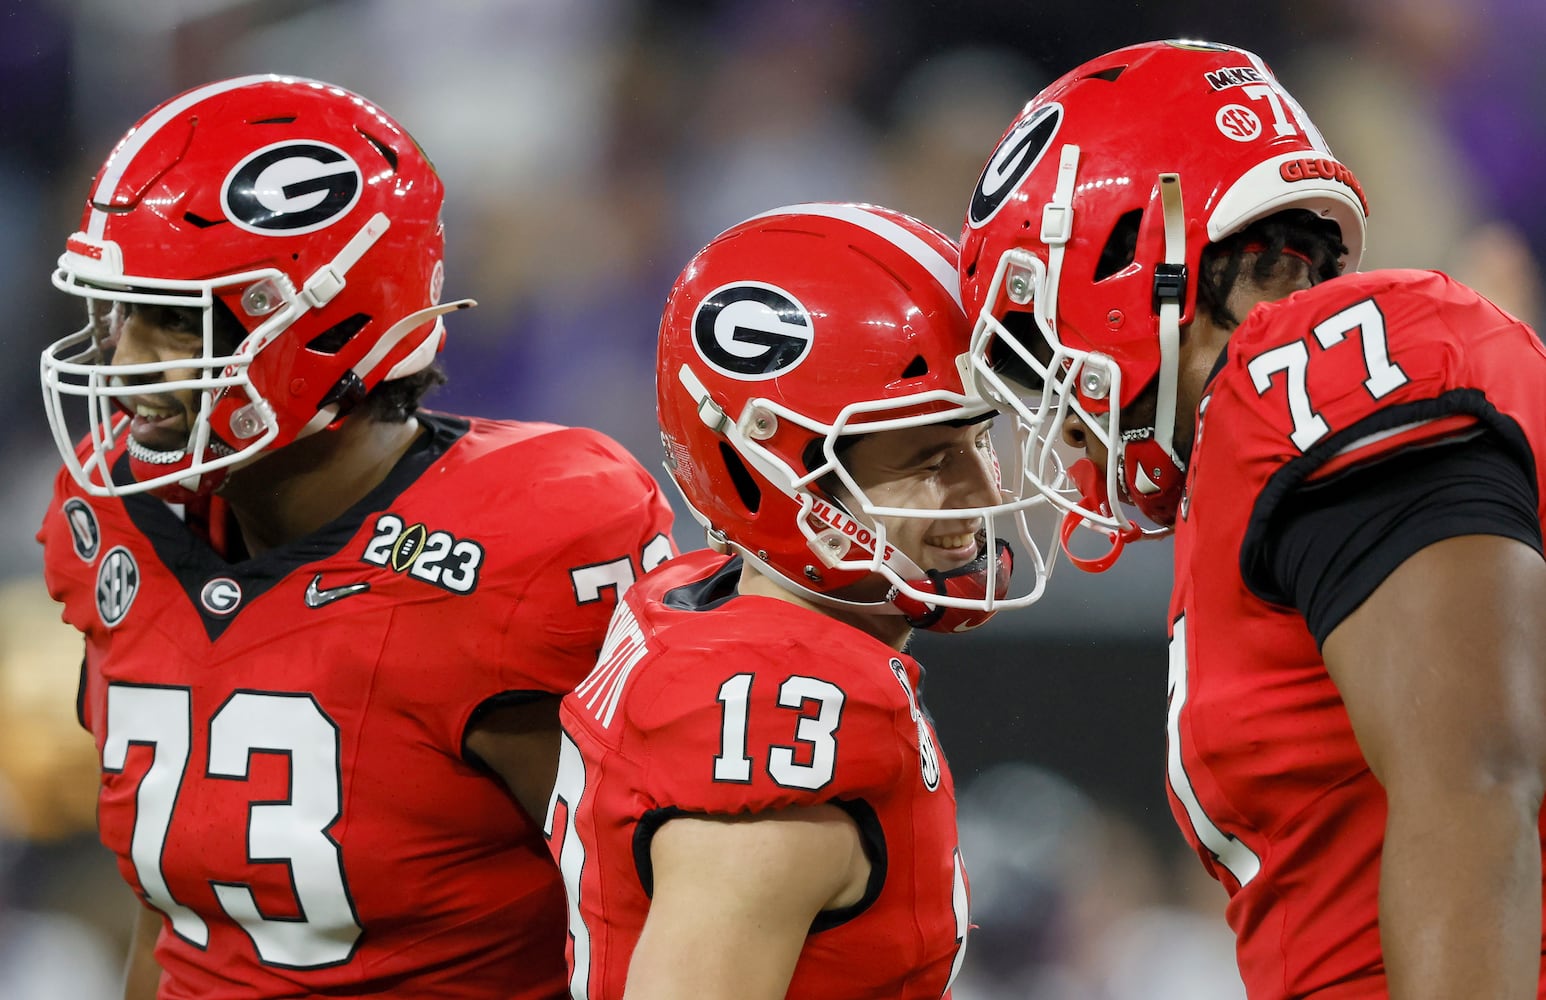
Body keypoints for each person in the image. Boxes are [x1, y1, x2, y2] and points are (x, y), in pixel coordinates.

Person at [35, 74, 676, 999]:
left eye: (174, 321)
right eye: (118, 312)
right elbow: (180, 923)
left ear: (328, 322)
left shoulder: (522, 545)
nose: (128, 364)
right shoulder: (121, 520)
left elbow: (649, 919)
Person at [958, 39, 1546, 999]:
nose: (1056, 407)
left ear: (1121, 258)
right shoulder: (1259, 430)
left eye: (1038, 345)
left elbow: (1475, 782)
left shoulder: (1312, 371)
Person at [543, 202, 1054, 999]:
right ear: (771, 469)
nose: (983, 490)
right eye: (928, 457)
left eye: (978, 437)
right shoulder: (786, 713)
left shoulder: (701, 602)